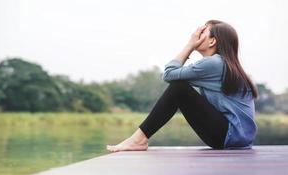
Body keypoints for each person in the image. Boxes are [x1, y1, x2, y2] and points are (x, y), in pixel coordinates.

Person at [106, 19, 258, 152]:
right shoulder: (225, 64)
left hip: (228, 136)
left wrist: (190, 45)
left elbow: (169, 74)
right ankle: (138, 139)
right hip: (238, 138)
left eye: (203, 30)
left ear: (212, 41)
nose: (197, 33)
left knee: (178, 88)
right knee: (179, 86)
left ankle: (138, 140)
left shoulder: (214, 63)